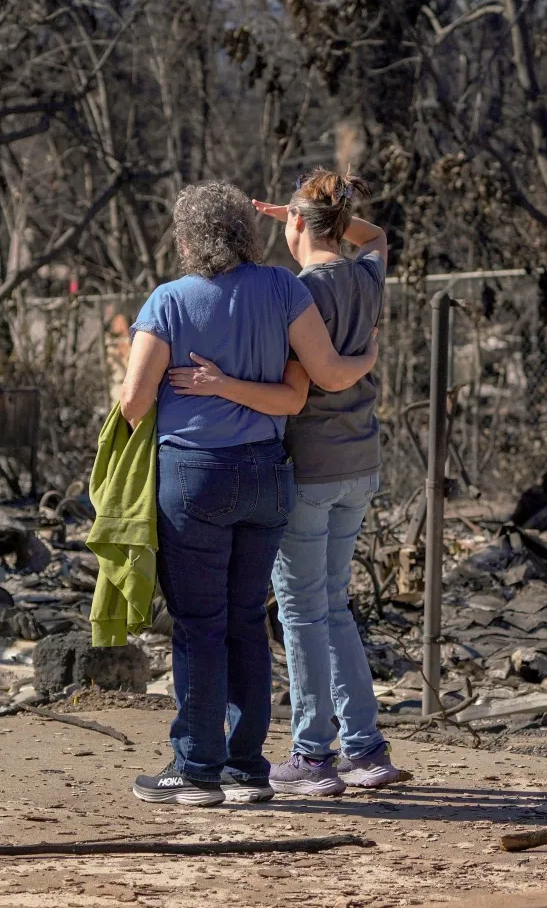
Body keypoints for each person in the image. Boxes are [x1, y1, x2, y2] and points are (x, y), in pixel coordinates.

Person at [117, 182, 376, 806]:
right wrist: (365, 358)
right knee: (246, 622)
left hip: (195, 477)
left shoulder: (168, 302)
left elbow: (133, 402)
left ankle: (196, 766)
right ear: (247, 234)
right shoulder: (285, 289)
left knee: (198, 626)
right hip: (268, 475)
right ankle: (247, 766)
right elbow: (311, 383)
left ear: (186, 241)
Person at [171, 170, 405, 794]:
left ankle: (313, 754)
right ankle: (365, 748)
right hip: (362, 462)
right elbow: (377, 234)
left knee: (301, 611)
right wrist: (310, 215)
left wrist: (355, 363)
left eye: (289, 225)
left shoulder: (300, 290)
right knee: (334, 604)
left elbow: (316, 381)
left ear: (298, 225)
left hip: (309, 466)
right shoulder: (367, 274)